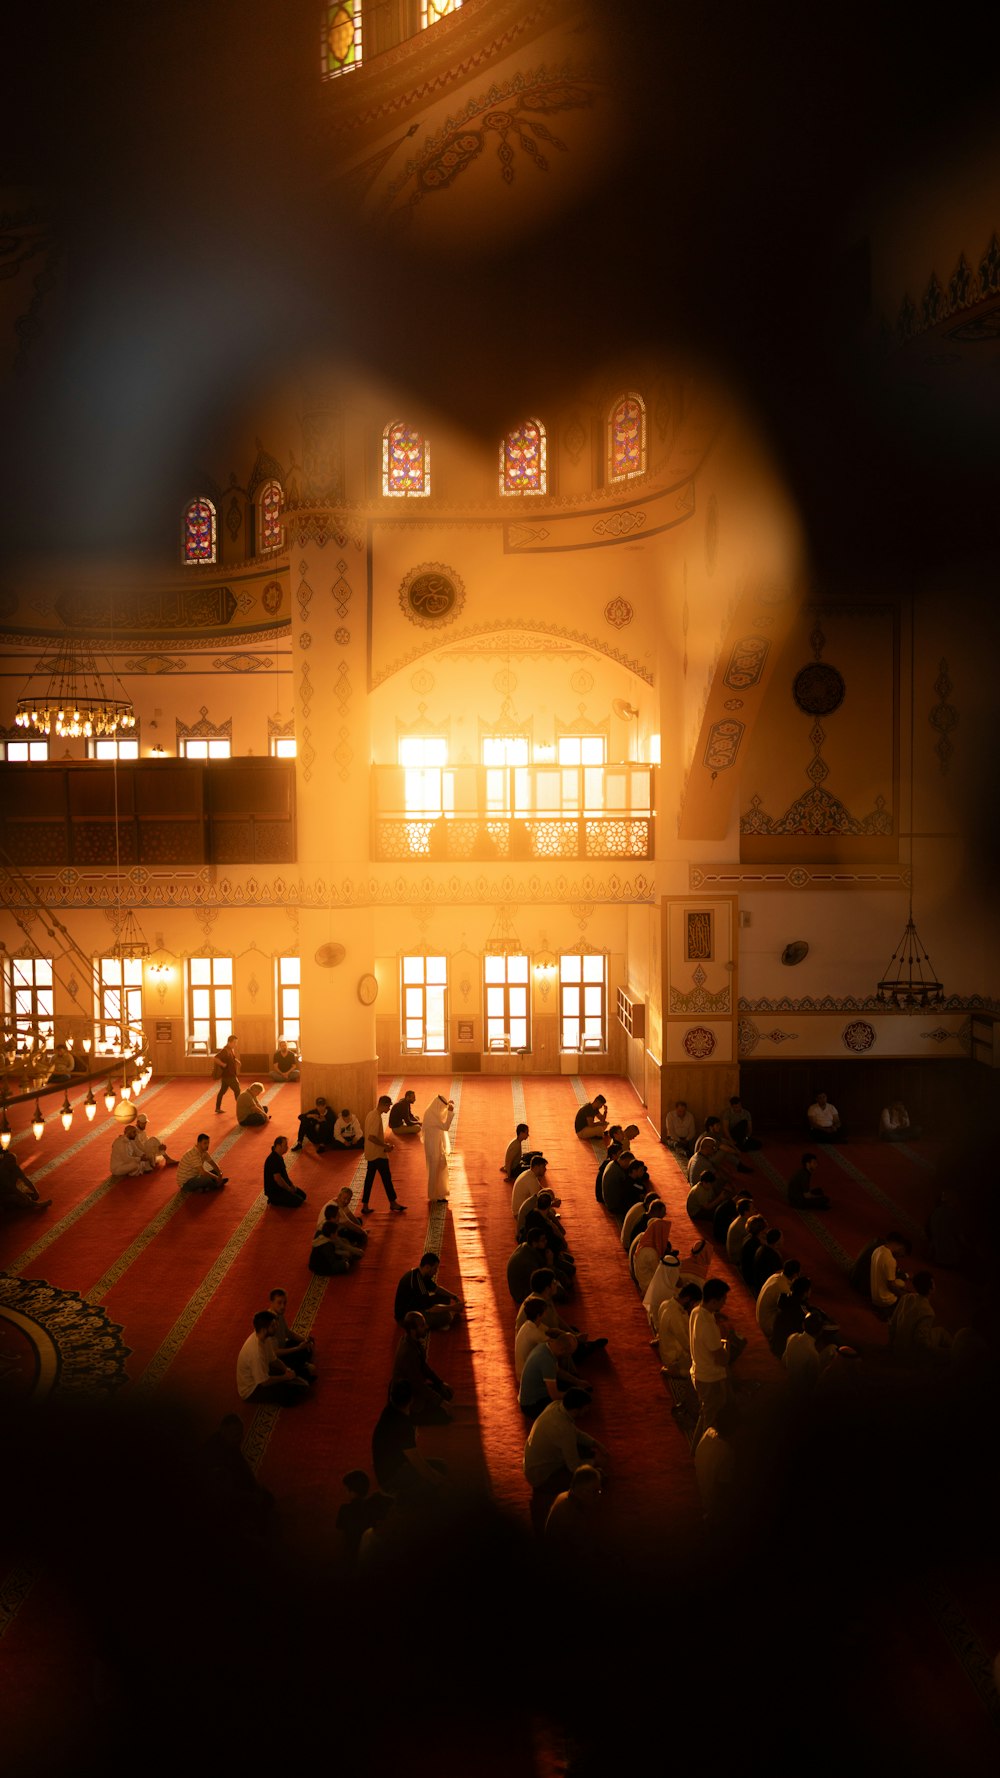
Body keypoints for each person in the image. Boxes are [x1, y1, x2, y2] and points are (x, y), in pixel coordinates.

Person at [200, 1414, 274, 1536]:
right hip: (217, 1502)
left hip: (231, 1486)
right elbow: (227, 1493)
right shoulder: (215, 1460)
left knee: (266, 1498)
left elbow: (241, 1464)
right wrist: (252, 1497)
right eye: (236, 1435)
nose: (240, 1438)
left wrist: (255, 1486)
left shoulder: (230, 1442)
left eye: (241, 1434)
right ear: (223, 1431)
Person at [371, 1381, 446, 1502]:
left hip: (388, 1470)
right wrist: (439, 1480)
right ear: (411, 1399)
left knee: (439, 1467)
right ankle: (398, 1496)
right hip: (392, 1476)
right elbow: (417, 1461)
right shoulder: (402, 1424)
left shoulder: (389, 1411)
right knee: (436, 1478)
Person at [522, 1388, 607, 1493]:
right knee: (595, 1478)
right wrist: (595, 1462)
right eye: (586, 1408)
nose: (588, 1410)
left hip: (533, 1465)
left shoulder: (555, 1405)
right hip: (542, 1477)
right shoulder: (564, 1430)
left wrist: (596, 1443)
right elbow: (574, 1467)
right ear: (576, 1411)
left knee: (586, 1450)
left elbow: (575, 1433)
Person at [689, 1278, 737, 1445]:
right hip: (710, 1379)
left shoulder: (697, 1311)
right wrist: (728, 1347)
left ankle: (695, 1449)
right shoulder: (708, 1326)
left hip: (699, 1371)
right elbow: (722, 1359)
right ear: (714, 1300)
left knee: (705, 1414)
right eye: (723, 1299)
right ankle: (704, 1455)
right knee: (710, 1424)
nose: (725, 1302)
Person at [236, 1310, 310, 1406]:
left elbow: (273, 1359)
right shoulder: (256, 1352)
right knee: (290, 1395)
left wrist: (286, 1369)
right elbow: (264, 1382)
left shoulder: (264, 1338)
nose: (276, 1327)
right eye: (273, 1326)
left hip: (263, 1373)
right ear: (264, 1330)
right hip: (253, 1389)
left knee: (294, 1375)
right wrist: (285, 1377)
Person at [392, 1311, 454, 1423]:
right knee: (445, 1416)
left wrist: (440, 1382)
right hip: (408, 1398)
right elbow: (418, 1385)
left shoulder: (412, 1341)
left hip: (415, 1386)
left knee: (446, 1393)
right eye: (422, 1326)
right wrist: (441, 1402)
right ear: (413, 1330)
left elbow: (424, 1367)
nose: (426, 1327)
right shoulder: (408, 1353)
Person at [518, 1330, 583, 1420]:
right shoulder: (547, 1361)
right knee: (574, 1401)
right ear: (562, 1350)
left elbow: (558, 1371)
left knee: (571, 1386)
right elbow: (554, 1396)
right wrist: (576, 1394)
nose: (568, 1357)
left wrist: (577, 1382)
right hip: (531, 1406)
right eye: (568, 1354)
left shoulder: (546, 1346)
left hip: (535, 1394)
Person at [889, 1270, 951, 1359]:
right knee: (942, 1333)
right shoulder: (928, 1312)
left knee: (940, 1331)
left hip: (896, 1346)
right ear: (931, 1289)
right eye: (933, 1283)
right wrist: (940, 1352)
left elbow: (893, 1322)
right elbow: (922, 1342)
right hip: (908, 1354)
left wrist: (891, 1344)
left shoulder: (906, 1297)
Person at [394, 1252, 463, 1328]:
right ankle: (425, 1326)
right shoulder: (417, 1282)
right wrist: (453, 1308)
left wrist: (454, 1297)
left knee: (445, 1298)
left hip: (417, 1304)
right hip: (407, 1318)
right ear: (427, 1267)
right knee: (446, 1317)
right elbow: (432, 1308)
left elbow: (437, 1289)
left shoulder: (420, 1273)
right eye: (435, 1269)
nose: (436, 1272)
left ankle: (433, 1322)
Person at [544, 1463, 604, 1551]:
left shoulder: (565, 1496)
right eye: (596, 1491)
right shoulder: (573, 1512)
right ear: (583, 1492)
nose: (598, 1496)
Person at [361, 1095, 404, 1215]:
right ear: (384, 1104)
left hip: (371, 1153)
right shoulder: (376, 1117)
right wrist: (385, 1146)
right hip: (378, 1154)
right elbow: (372, 1137)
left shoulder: (371, 1114)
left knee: (369, 1179)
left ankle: (365, 1205)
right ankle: (393, 1203)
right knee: (386, 1179)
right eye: (389, 1106)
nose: (389, 1109)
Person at [266, 1286, 316, 1379]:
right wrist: (297, 1348)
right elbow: (275, 1353)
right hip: (277, 1359)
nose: (283, 1306)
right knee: (308, 1372)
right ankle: (303, 1368)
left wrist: (304, 1339)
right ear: (271, 1303)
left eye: (284, 1303)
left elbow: (288, 1333)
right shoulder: (270, 1325)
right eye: (279, 1303)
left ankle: (303, 1363)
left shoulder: (278, 1315)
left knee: (309, 1341)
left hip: (283, 1347)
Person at [658, 1282, 702, 1376]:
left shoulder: (665, 1303)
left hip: (668, 1347)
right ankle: (675, 1371)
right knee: (704, 1368)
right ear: (687, 1299)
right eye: (694, 1304)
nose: (693, 1307)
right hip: (673, 1358)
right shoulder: (675, 1316)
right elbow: (686, 1345)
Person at [630, 1201, 673, 1293]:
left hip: (641, 1276)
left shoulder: (644, 1238)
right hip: (647, 1285)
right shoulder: (651, 1252)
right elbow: (659, 1273)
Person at [507, 1228, 557, 1304]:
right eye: (543, 1240)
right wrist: (550, 1263)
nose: (546, 1242)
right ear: (534, 1243)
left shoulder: (526, 1247)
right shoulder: (527, 1261)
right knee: (557, 1290)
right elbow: (542, 1281)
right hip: (521, 1295)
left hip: (521, 1288)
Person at [756, 1258, 801, 1342]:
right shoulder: (783, 1289)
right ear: (795, 1274)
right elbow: (789, 1309)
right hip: (767, 1323)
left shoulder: (775, 1276)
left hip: (761, 1317)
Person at [422, 1093, 455, 1203]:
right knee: (434, 1170)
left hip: (437, 1145)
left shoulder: (433, 1112)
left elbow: (441, 1116)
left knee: (441, 1168)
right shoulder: (431, 1115)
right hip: (433, 1148)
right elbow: (445, 1126)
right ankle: (433, 1195)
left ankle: (440, 1194)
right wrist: (450, 1111)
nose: (443, 1109)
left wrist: (448, 1106)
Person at [870, 1232, 911, 1317]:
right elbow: (891, 1286)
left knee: (900, 1284)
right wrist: (904, 1296)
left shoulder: (877, 1250)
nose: (900, 1255)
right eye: (902, 1254)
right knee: (910, 1302)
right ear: (901, 1246)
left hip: (874, 1298)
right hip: (885, 1301)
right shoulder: (890, 1260)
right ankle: (887, 1312)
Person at [0, 1148, 52, 1213]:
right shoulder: (2, 1172)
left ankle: (9, 1205)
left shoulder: (14, 1167)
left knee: (27, 1198)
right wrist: (24, 1196)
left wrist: (35, 1191)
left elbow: (25, 1180)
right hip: (2, 1193)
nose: (13, 1164)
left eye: (14, 1162)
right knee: (21, 1199)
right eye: (11, 1162)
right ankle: (37, 1204)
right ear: (5, 1163)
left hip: (9, 1192)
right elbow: (12, 1188)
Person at [263, 1135, 306, 1208]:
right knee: (299, 1201)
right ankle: (273, 1200)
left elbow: (284, 1175)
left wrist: (292, 1185)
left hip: (281, 1186)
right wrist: (289, 1189)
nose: (287, 1147)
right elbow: (278, 1179)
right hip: (275, 1191)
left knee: (303, 1195)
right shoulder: (273, 1160)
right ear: (278, 1146)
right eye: (285, 1145)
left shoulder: (279, 1156)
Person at [512, 1153, 548, 1220]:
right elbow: (538, 1203)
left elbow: (541, 1189)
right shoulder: (531, 1180)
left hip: (519, 1209)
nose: (545, 1169)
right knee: (548, 1214)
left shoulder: (529, 1173)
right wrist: (553, 1203)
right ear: (537, 1167)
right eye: (543, 1167)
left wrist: (550, 1194)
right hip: (520, 1214)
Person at [214, 1034, 241, 1115]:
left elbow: (232, 1058)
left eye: (236, 1042)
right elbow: (215, 1058)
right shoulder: (225, 1050)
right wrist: (223, 1064)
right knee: (237, 1090)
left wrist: (236, 1061)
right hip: (229, 1075)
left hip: (227, 1075)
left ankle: (217, 1108)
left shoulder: (230, 1049)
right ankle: (240, 1108)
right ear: (229, 1042)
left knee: (222, 1091)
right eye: (234, 1042)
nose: (235, 1044)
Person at [725, 1196, 755, 1265]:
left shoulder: (741, 1219)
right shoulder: (743, 1225)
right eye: (752, 1209)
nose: (755, 1210)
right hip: (736, 1257)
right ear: (746, 1212)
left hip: (736, 1252)